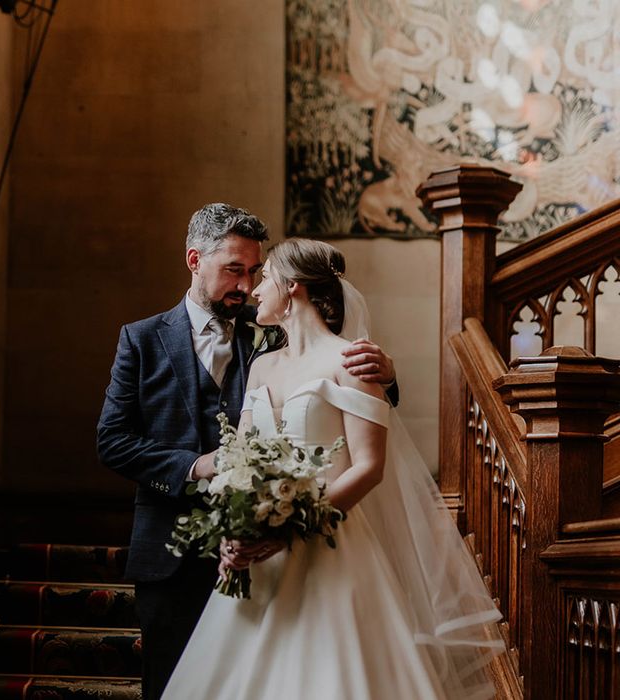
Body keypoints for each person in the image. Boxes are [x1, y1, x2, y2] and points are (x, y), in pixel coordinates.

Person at [162, 238, 504, 700]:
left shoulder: (354, 361)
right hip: (257, 558)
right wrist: (233, 528)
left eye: (265, 278)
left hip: (330, 542)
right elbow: (238, 458)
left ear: (293, 287)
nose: (256, 289)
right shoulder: (260, 367)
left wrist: (290, 530)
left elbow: (369, 467)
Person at [96, 204, 399, 700]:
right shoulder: (142, 340)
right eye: (233, 270)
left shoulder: (271, 335)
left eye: (256, 271)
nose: (246, 285)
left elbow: (342, 393)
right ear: (195, 260)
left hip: (277, 553)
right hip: (171, 552)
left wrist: (386, 374)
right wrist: (197, 466)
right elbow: (113, 440)